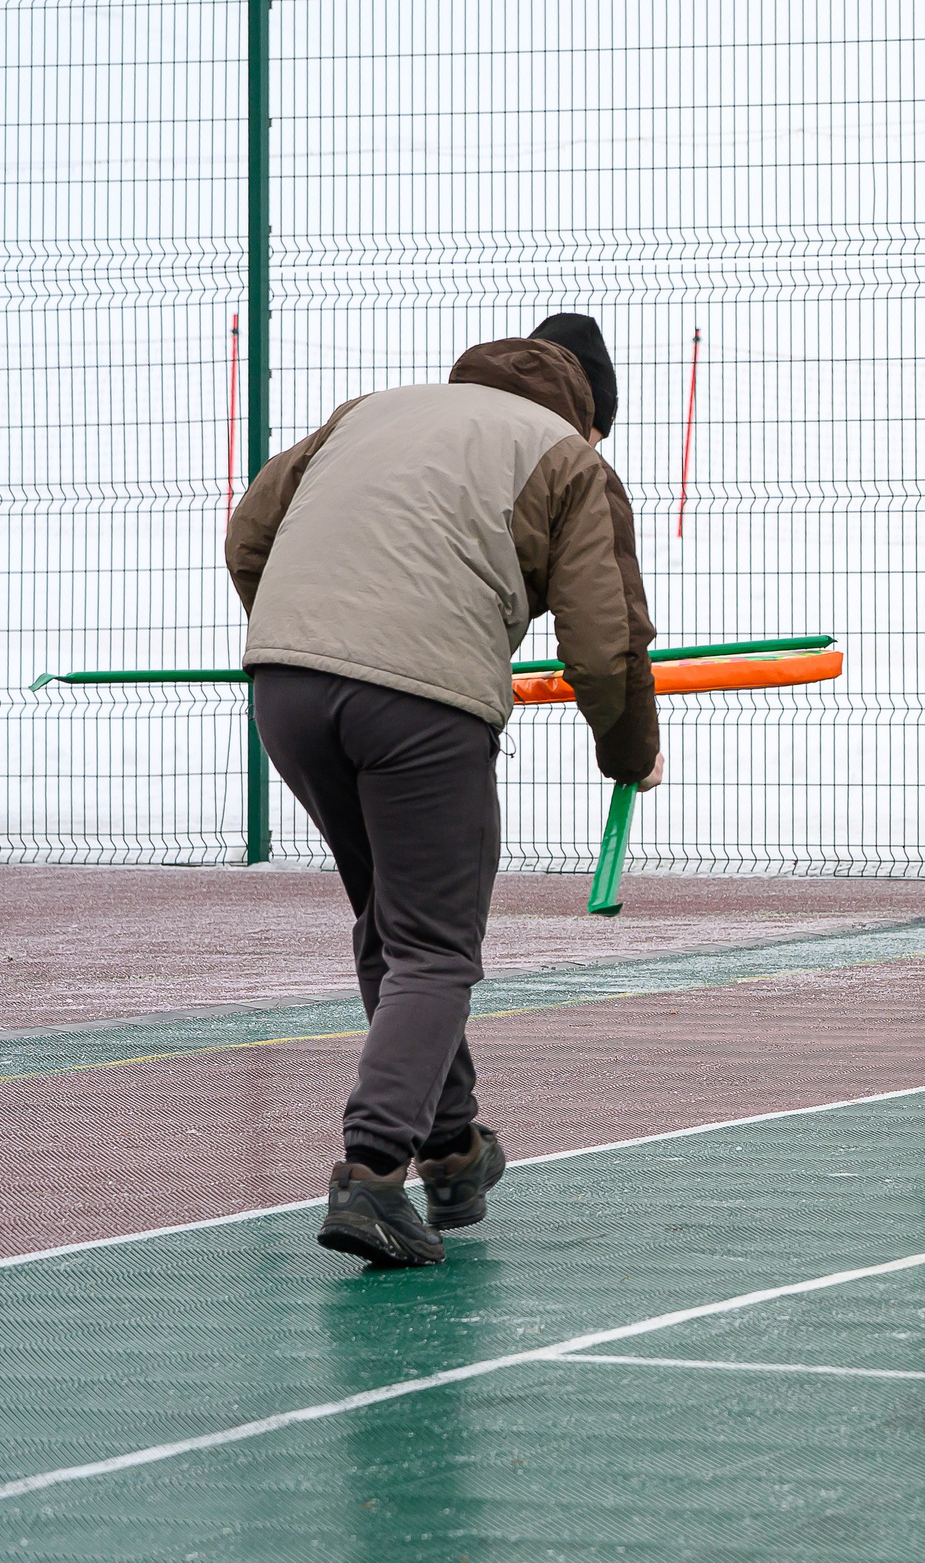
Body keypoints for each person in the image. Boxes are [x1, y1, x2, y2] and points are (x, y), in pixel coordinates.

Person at [225, 315, 659, 1267]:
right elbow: (605, 644)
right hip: (419, 707)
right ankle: (373, 1172)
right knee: (433, 946)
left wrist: (312, 636)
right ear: (587, 417)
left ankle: (453, 1148)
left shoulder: (369, 412)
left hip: (288, 689)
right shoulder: (568, 459)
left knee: (394, 923)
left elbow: (249, 533)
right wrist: (630, 754)